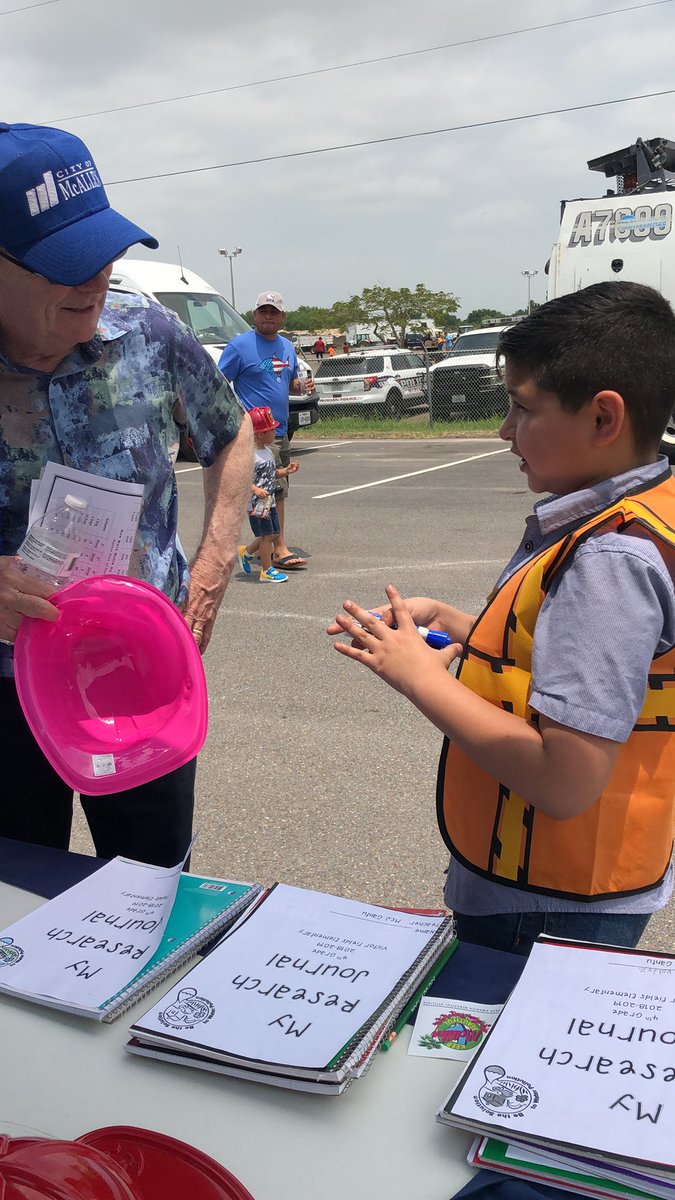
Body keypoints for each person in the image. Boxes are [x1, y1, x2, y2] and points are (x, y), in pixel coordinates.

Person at [329, 281, 675, 956]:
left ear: (604, 418)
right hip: (567, 888)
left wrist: (419, 679)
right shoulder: (640, 506)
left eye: (521, 409)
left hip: (546, 900)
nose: (502, 430)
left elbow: (564, 779)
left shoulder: (608, 561)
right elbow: (577, 657)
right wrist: (459, 625)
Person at [0, 122, 253, 867]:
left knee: (149, 886)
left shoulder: (151, 334)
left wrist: (213, 566)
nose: (96, 278)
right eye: (64, 264)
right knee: (18, 893)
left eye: (104, 252)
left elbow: (232, 434)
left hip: (143, 671)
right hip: (7, 685)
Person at [218, 291, 312, 571]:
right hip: (255, 434)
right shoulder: (239, 346)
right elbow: (219, 383)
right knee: (272, 491)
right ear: (254, 315)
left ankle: (253, 549)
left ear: (283, 317)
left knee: (277, 489)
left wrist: (300, 387)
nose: (268, 316)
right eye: (263, 311)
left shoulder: (286, 346)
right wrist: (238, 420)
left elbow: (290, 380)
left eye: (274, 312)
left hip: (279, 430)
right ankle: (278, 548)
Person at [237, 406, 298, 583]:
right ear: (260, 434)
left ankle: (246, 552)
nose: (275, 432)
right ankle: (266, 570)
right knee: (266, 537)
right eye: (272, 430)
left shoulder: (268, 451)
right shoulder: (250, 455)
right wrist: (254, 488)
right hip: (257, 503)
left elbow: (271, 473)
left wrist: (286, 470)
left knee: (273, 533)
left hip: (269, 501)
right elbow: (242, 478)